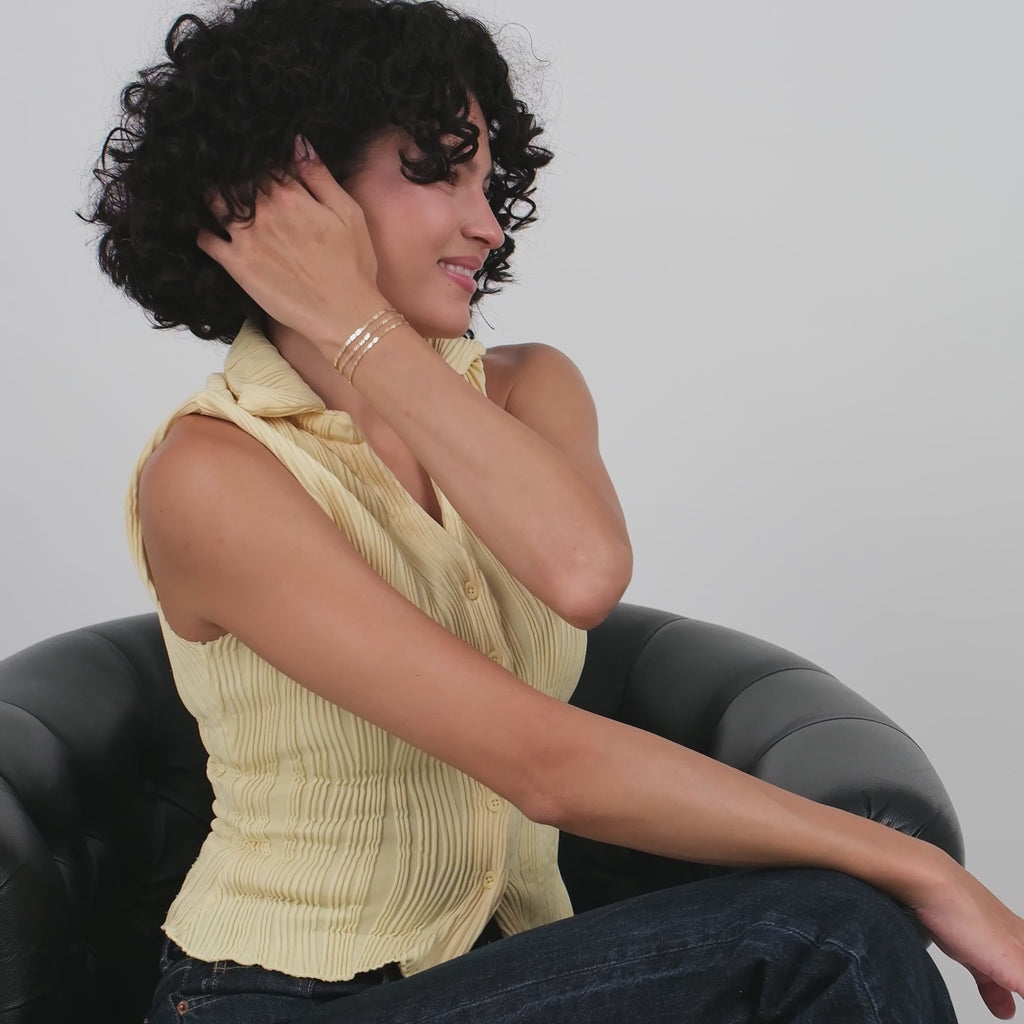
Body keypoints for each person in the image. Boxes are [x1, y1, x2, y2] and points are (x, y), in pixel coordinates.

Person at [83, 0, 1024, 1021]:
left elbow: (581, 571)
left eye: (488, 181)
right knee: (830, 934)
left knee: (839, 927)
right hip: (279, 998)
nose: (487, 224)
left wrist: (364, 337)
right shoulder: (212, 474)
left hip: (510, 965)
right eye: (437, 172)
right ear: (285, 192)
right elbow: (544, 764)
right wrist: (920, 868)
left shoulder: (529, 389)